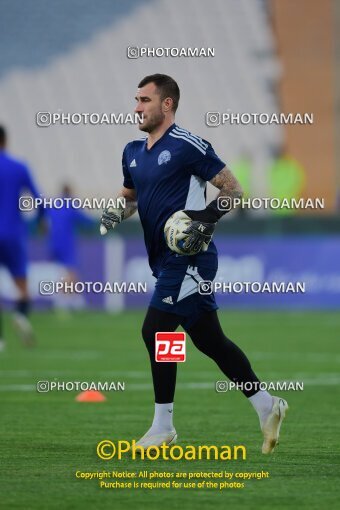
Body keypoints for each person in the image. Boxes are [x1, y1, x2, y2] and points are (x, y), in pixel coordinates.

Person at [100, 74, 288, 454]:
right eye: (136, 99)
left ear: (167, 104)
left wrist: (202, 218)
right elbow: (131, 197)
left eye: (145, 100)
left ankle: (163, 425)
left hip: (191, 259)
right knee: (209, 340)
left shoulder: (188, 146)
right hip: (163, 261)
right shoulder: (132, 151)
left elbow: (233, 189)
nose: (137, 107)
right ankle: (267, 404)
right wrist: (111, 215)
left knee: (156, 330)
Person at [0, 125, 43, 348]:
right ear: (5, 141)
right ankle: (20, 315)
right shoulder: (18, 167)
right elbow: (38, 199)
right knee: (22, 286)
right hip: (12, 234)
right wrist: (39, 224)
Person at [47, 184, 95, 312]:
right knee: (71, 271)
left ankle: (71, 299)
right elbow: (85, 221)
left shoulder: (53, 205)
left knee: (64, 272)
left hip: (53, 243)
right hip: (66, 243)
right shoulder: (71, 205)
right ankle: (68, 301)